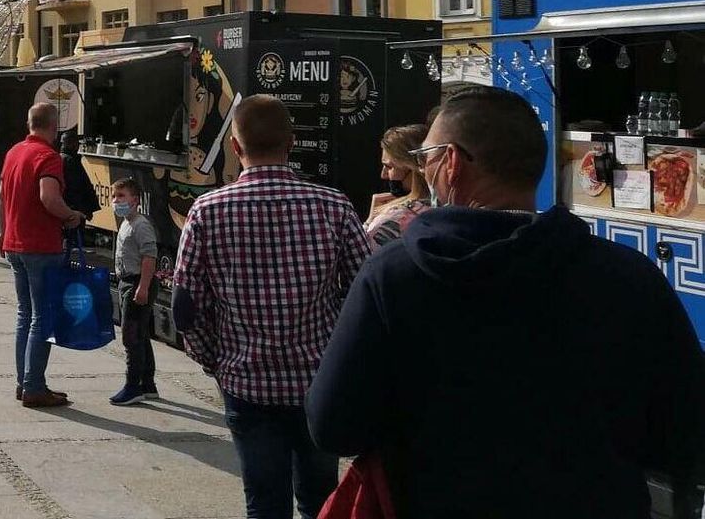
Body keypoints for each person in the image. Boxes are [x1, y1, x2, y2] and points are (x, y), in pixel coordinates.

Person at [307, 87, 705, 519]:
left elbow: (333, 426)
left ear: (451, 164)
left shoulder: (393, 277)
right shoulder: (631, 277)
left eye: (425, 158)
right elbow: (686, 432)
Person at [172, 94, 371, 519]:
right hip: (318, 384)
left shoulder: (206, 211)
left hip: (246, 384)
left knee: (263, 502)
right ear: (292, 143)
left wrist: (217, 362)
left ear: (235, 147)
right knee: (322, 500)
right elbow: (366, 295)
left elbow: (186, 306)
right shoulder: (334, 207)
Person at [0, 103, 84, 408]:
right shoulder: (48, 157)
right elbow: (49, 197)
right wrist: (70, 214)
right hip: (40, 245)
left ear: (29, 122)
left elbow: (2, 196)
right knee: (42, 317)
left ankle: (23, 382)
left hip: (15, 244)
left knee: (24, 315)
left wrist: (3, 231)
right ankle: (35, 386)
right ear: (53, 125)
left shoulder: (14, 152)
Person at [108, 177, 159, 406]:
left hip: (136, 282)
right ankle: (148, 383)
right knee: (141, 334)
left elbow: (150, 257)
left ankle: (133, 386)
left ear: (135, 200)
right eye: (113, 196)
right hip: (127, 280)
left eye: (121, 196)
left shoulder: (140, 224)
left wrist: (143, 287)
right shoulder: (126, 223)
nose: (115, 201)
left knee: (131, 336)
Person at [364, 124, 431, 249]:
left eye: (389, 167)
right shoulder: (452, 205)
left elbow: (360, 255)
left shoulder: (393, 219)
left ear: (413, 167)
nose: (383, 175)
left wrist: (370, 222)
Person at [59, 132, 99, 241]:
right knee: (73, 242)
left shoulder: (61, 159)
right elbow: (77, 187)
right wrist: (84, 209)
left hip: (68, 208)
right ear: (72, 144)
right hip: (74, 209)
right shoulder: (71, 161)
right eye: (76, 143)